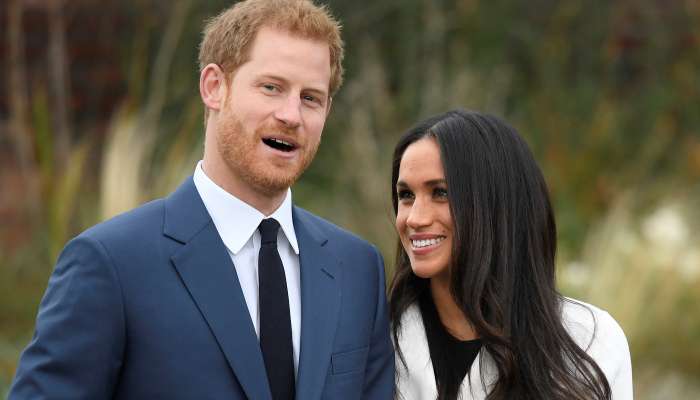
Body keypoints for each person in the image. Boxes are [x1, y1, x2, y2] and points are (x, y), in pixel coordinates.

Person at [9, 1, 394, 399]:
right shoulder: (111, 264)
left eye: (311, 97)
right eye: (271, 87)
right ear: (214, 86)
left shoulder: (357, 269)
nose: (291, 115)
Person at [389, 109, 633, 400]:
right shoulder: (377, 339)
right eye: (406, 195)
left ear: (496, 204)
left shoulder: (590, 340)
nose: (414, 218)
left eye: (440, 192)